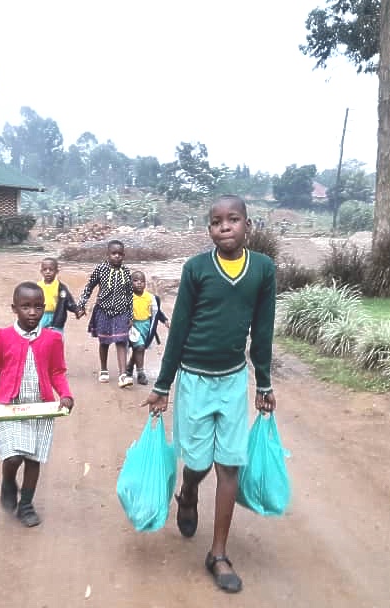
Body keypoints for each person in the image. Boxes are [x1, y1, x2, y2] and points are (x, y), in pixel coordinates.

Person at [141, 194, 277, 594]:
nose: (225, 227)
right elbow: (179, 326)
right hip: (194, 380)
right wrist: (163, 384)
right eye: (216, 222)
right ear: (209, 229)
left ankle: (217, 553)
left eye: (233, 219)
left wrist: (264, 382)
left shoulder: (263, 270)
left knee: (230, 465)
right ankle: (188, 492)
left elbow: (263, 329)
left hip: (234, 380)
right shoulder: (197, 268)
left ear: (248, 225)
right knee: (198, 463)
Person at [0, 282, 74, 528]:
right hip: (9, 407)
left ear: (44, 309)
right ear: (15, 308)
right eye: (25, 307)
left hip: (41, 408)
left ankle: (26, 505)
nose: (32, 312)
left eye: (37, 307)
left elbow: (57, 371)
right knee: (13, 458)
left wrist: (65, 394)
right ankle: (8, 482)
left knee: (33, 459)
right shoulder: (2, 337)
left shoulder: (52, 339)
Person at [77, 239, 134, 387]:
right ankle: (103, 369)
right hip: (103, 310)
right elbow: (89, 287)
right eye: (113, 253)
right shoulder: (101, 269)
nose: (117, 256)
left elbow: (129, 295)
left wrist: (131, 315)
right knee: (105, 341)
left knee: (122, 340)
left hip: (121, 312)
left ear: (124, 255)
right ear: (107, 254)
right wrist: (81, 305)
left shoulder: (126, 272)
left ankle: (123, 375)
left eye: (120, 254)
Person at [125, 271, 170, 386]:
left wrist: (165, 320)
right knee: (139, 347)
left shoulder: (150, 298)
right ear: (130, 283)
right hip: (133, 326)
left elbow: (157, 312)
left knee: (139, 348)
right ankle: (141, 373)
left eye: (142, 281)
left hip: (146, 327)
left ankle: (130, 366)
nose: (139, 283)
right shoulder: (127, 298)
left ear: (145, 283)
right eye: (135, 281)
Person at [37, 257, 78, 334]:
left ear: (57, 271)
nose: (48, 272)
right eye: (45, 269)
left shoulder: (61, 287)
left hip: (57, 316)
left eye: (51, 269)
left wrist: (76, 310)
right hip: (41, 316)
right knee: (39, 337)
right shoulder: (38, 286)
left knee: (56, 337)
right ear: (41, 271)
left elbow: (68, 301)